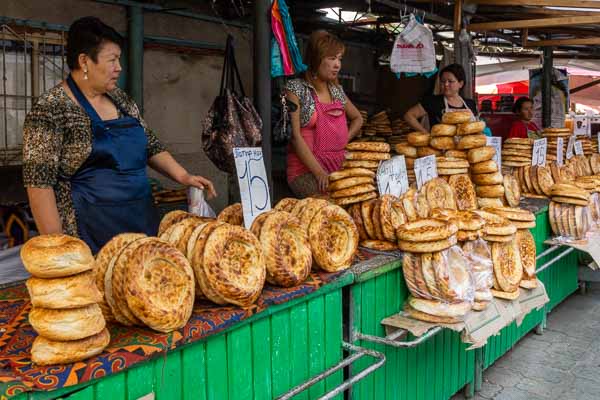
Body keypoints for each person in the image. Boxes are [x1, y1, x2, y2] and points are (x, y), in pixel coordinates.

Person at [22, 16, 216, 253]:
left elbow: (150, 144)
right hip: (88, 234)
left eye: (119, 60)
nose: (119, 68)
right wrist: (57, 247)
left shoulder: (120, 100)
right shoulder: (50, 110)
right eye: (112, 60)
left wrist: (184, 176)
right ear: (84, 61)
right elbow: (39, 185)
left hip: (140, 222)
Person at [285, 30, 363, 198]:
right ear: (316, 58)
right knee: (329, 207)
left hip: (335, 167)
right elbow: (295, 137)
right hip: (305, 171)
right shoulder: (296, 89)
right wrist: (319, 172)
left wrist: (342, 141)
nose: (337, 65)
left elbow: (358, 119)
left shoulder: (336, 91)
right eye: (331, 58)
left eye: (339, 59)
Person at [404, 64, 478, 132]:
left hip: (467, 145)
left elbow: (476, 126)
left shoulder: (470, 103)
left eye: (450, 81)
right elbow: (409, 116)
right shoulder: (433, 101)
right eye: (443, 81)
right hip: (441, 145)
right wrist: (426, 134)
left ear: (460, 84)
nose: (446, 84)